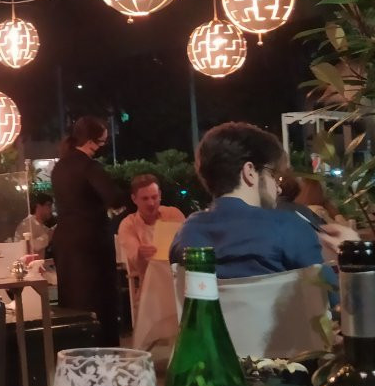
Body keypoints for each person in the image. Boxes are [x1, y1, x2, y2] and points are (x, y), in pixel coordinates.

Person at [169, 122, 356, 282]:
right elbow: (333, 301)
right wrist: (352, 256)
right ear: (250, 172)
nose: (279, 188)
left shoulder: (185, 234)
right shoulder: (288, 227)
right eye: (273, 175)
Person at [50, 116, 124, 346]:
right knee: (99, 300)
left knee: (73, 299)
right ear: (92, 142)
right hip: (91, 242)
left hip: (64, 240)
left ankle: (75, 349)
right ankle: (104, 351)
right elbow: (113, 197)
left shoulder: (59, 167)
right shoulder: (90, 167)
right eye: (102, 141)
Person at [116, 174, 186, 279]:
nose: (151, 203)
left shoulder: (173, 214)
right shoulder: (128, 224)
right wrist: (140, 255)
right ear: (134, 199)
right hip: (150, 279)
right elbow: (135, 261)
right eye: (145, 198)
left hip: (179, 274)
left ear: (160, 195)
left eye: (154, 197)